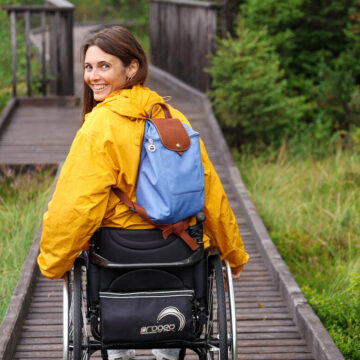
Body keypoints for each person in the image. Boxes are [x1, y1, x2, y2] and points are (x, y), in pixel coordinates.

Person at [38, 26, 249, 360]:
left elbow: (76, 206)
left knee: (106, 292)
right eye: (89, 67)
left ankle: (119, 347)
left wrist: (53, 261)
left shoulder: (99, 126)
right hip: (179, 252)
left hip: (117, 256)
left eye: (104, 66)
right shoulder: (174, 120)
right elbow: (209, 193)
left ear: (131, 68)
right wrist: (233, 253)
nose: (93, 76)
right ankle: (170, 347)